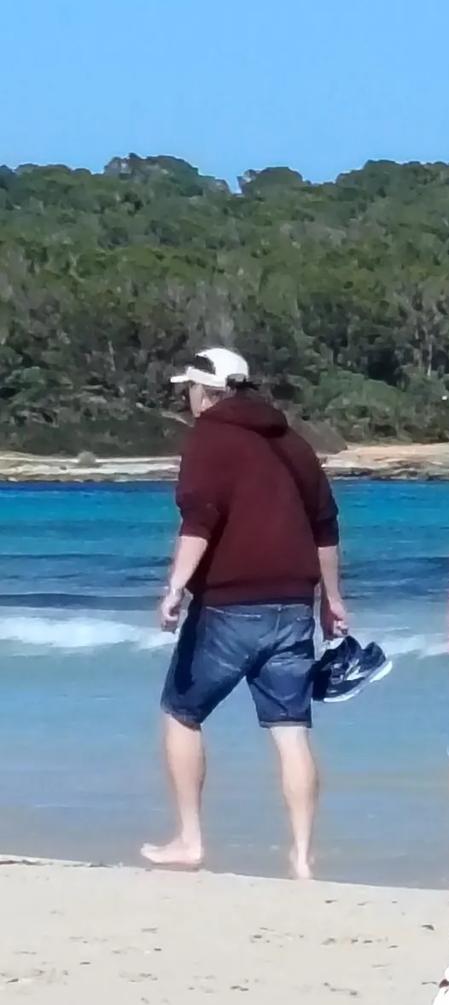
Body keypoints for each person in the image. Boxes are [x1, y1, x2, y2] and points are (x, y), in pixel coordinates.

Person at [142, 347, 348, 880]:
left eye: (189, 388)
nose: (187, 398)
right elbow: (325, 527)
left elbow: (200, 519)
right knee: (291, 728)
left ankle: (190, 840)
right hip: (294, 603)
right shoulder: (292, 441)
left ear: (206, 391)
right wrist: (332, 600)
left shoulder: (208, 438)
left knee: (180, 713)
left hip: (231, 603)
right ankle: (302, 857)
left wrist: (174, 588)